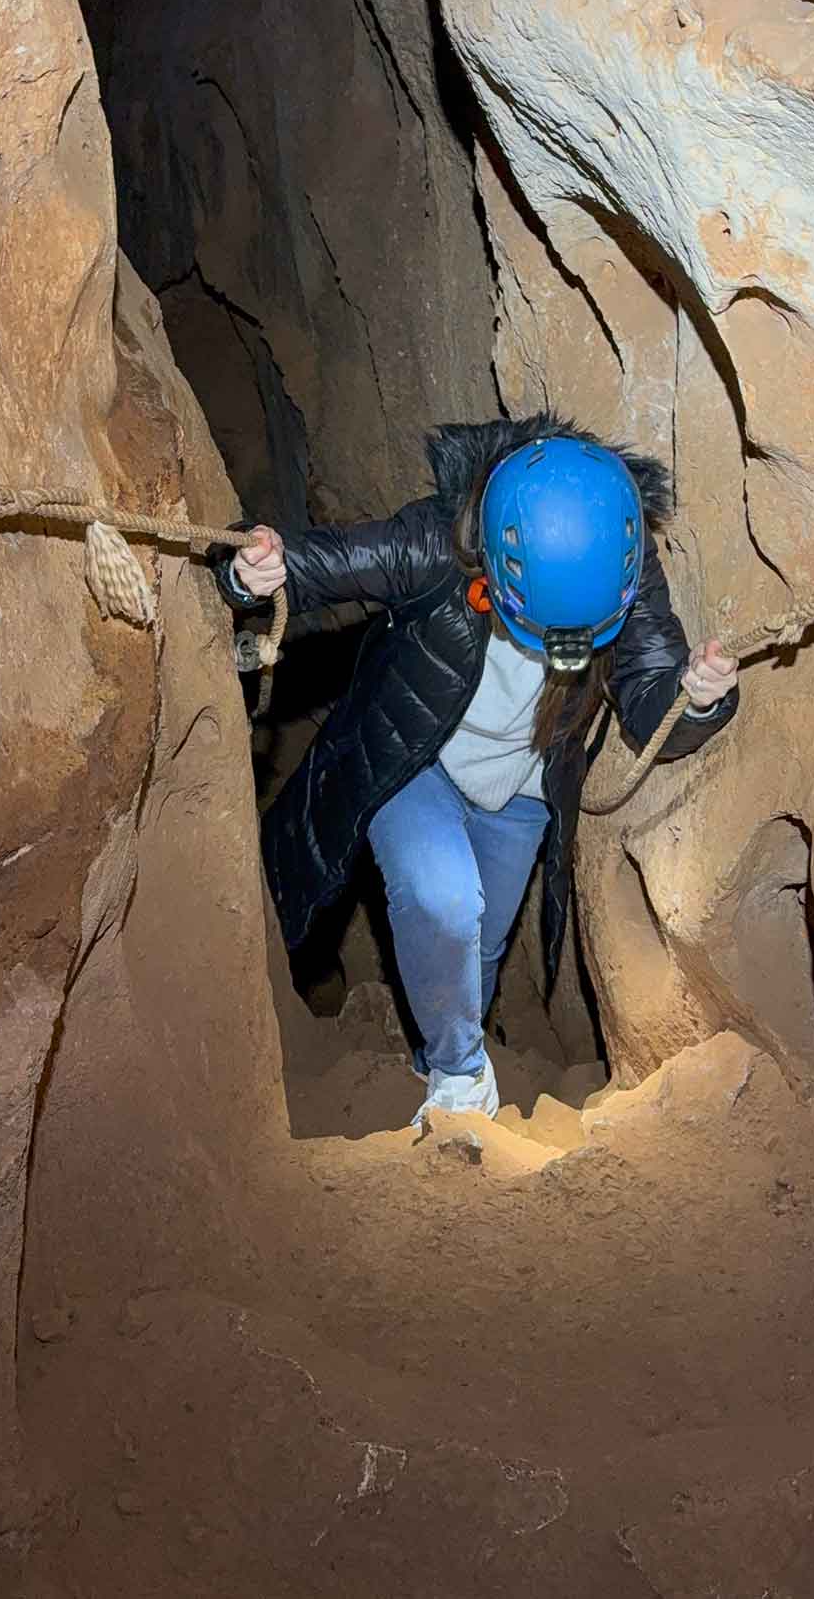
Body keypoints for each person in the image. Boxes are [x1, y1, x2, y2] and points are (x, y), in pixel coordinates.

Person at [210, 415, 738, 1124]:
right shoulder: (442, 540)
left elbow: (650, 701)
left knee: (480, 945)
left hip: (521, 792)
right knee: (444, 900)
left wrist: (695, 698)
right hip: (417, 759)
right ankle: (461, 1081)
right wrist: (250, 572)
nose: (563, 650)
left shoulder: (619, 560)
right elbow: (321, 563)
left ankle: (437, 1053)